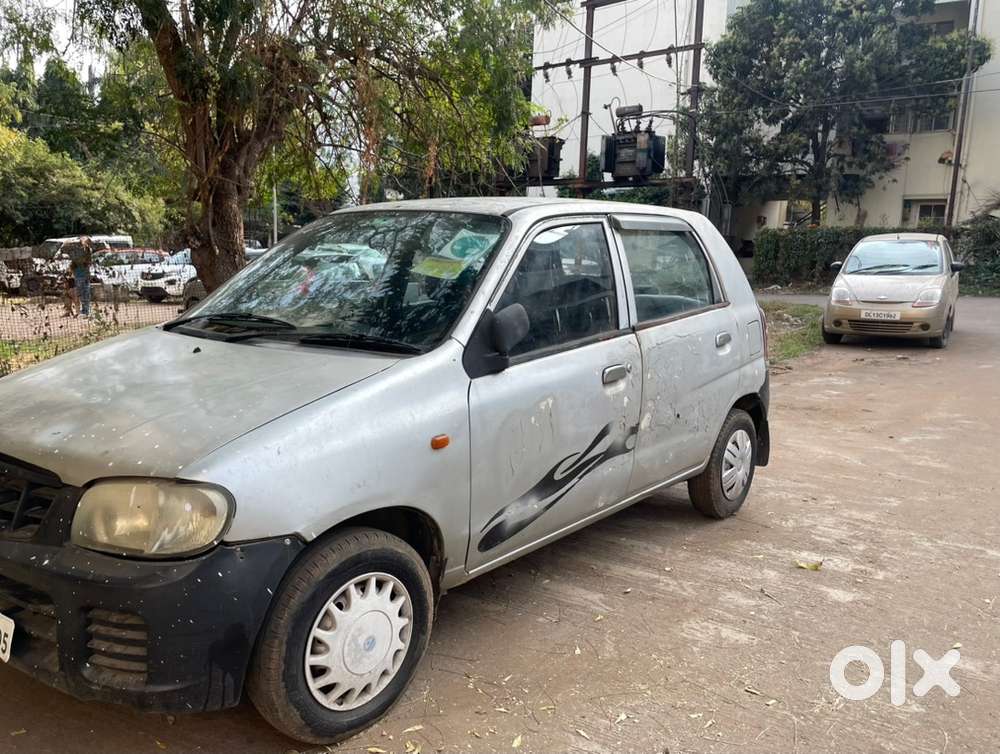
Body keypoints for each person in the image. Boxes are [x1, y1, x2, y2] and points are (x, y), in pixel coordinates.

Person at [70, 237, 93, 317]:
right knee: (80, 294)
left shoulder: (87, 251)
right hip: (78, 275)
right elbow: (73, 262)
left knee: (85, 293)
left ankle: (86, 311)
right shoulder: (76, 252)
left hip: (84, 275)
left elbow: (87, 261)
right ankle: (83, 310)